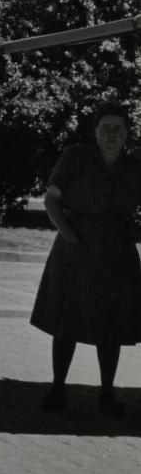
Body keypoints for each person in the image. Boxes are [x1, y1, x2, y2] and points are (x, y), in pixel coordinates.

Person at [30, 102, 141, 416]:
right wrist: (70, 238)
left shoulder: (134, 168)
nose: (111, 135)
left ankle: (107, 393)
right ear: (95, 131)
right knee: (67, 321)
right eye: (105, 128)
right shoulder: (76, 159)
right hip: (75, 247)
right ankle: (57, 389)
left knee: (112, 325)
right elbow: (51, 201)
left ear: (127, 135)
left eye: (118, 129)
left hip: (118, 253)